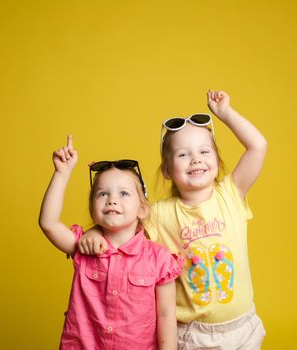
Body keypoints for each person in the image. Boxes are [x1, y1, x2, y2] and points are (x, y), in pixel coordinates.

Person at [79, 90, 268, 349]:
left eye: (204, 151)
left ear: (216, 160)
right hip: (191, 334)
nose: (196, 159)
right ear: (167, 170)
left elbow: (258, 146)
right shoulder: (159, 214)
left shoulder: (230, 195)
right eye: (183, 155)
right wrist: (95, 233)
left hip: (242, 328)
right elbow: (119, 228)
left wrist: (225, 113)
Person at [38, 135, 183, 350]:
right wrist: (62, 173)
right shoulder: (83, 246)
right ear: (92, 211)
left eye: (124, 193)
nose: (112, 200)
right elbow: (48, 223)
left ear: (142, 209)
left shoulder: (159, 259)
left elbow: (167, 315)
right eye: (102, 193)